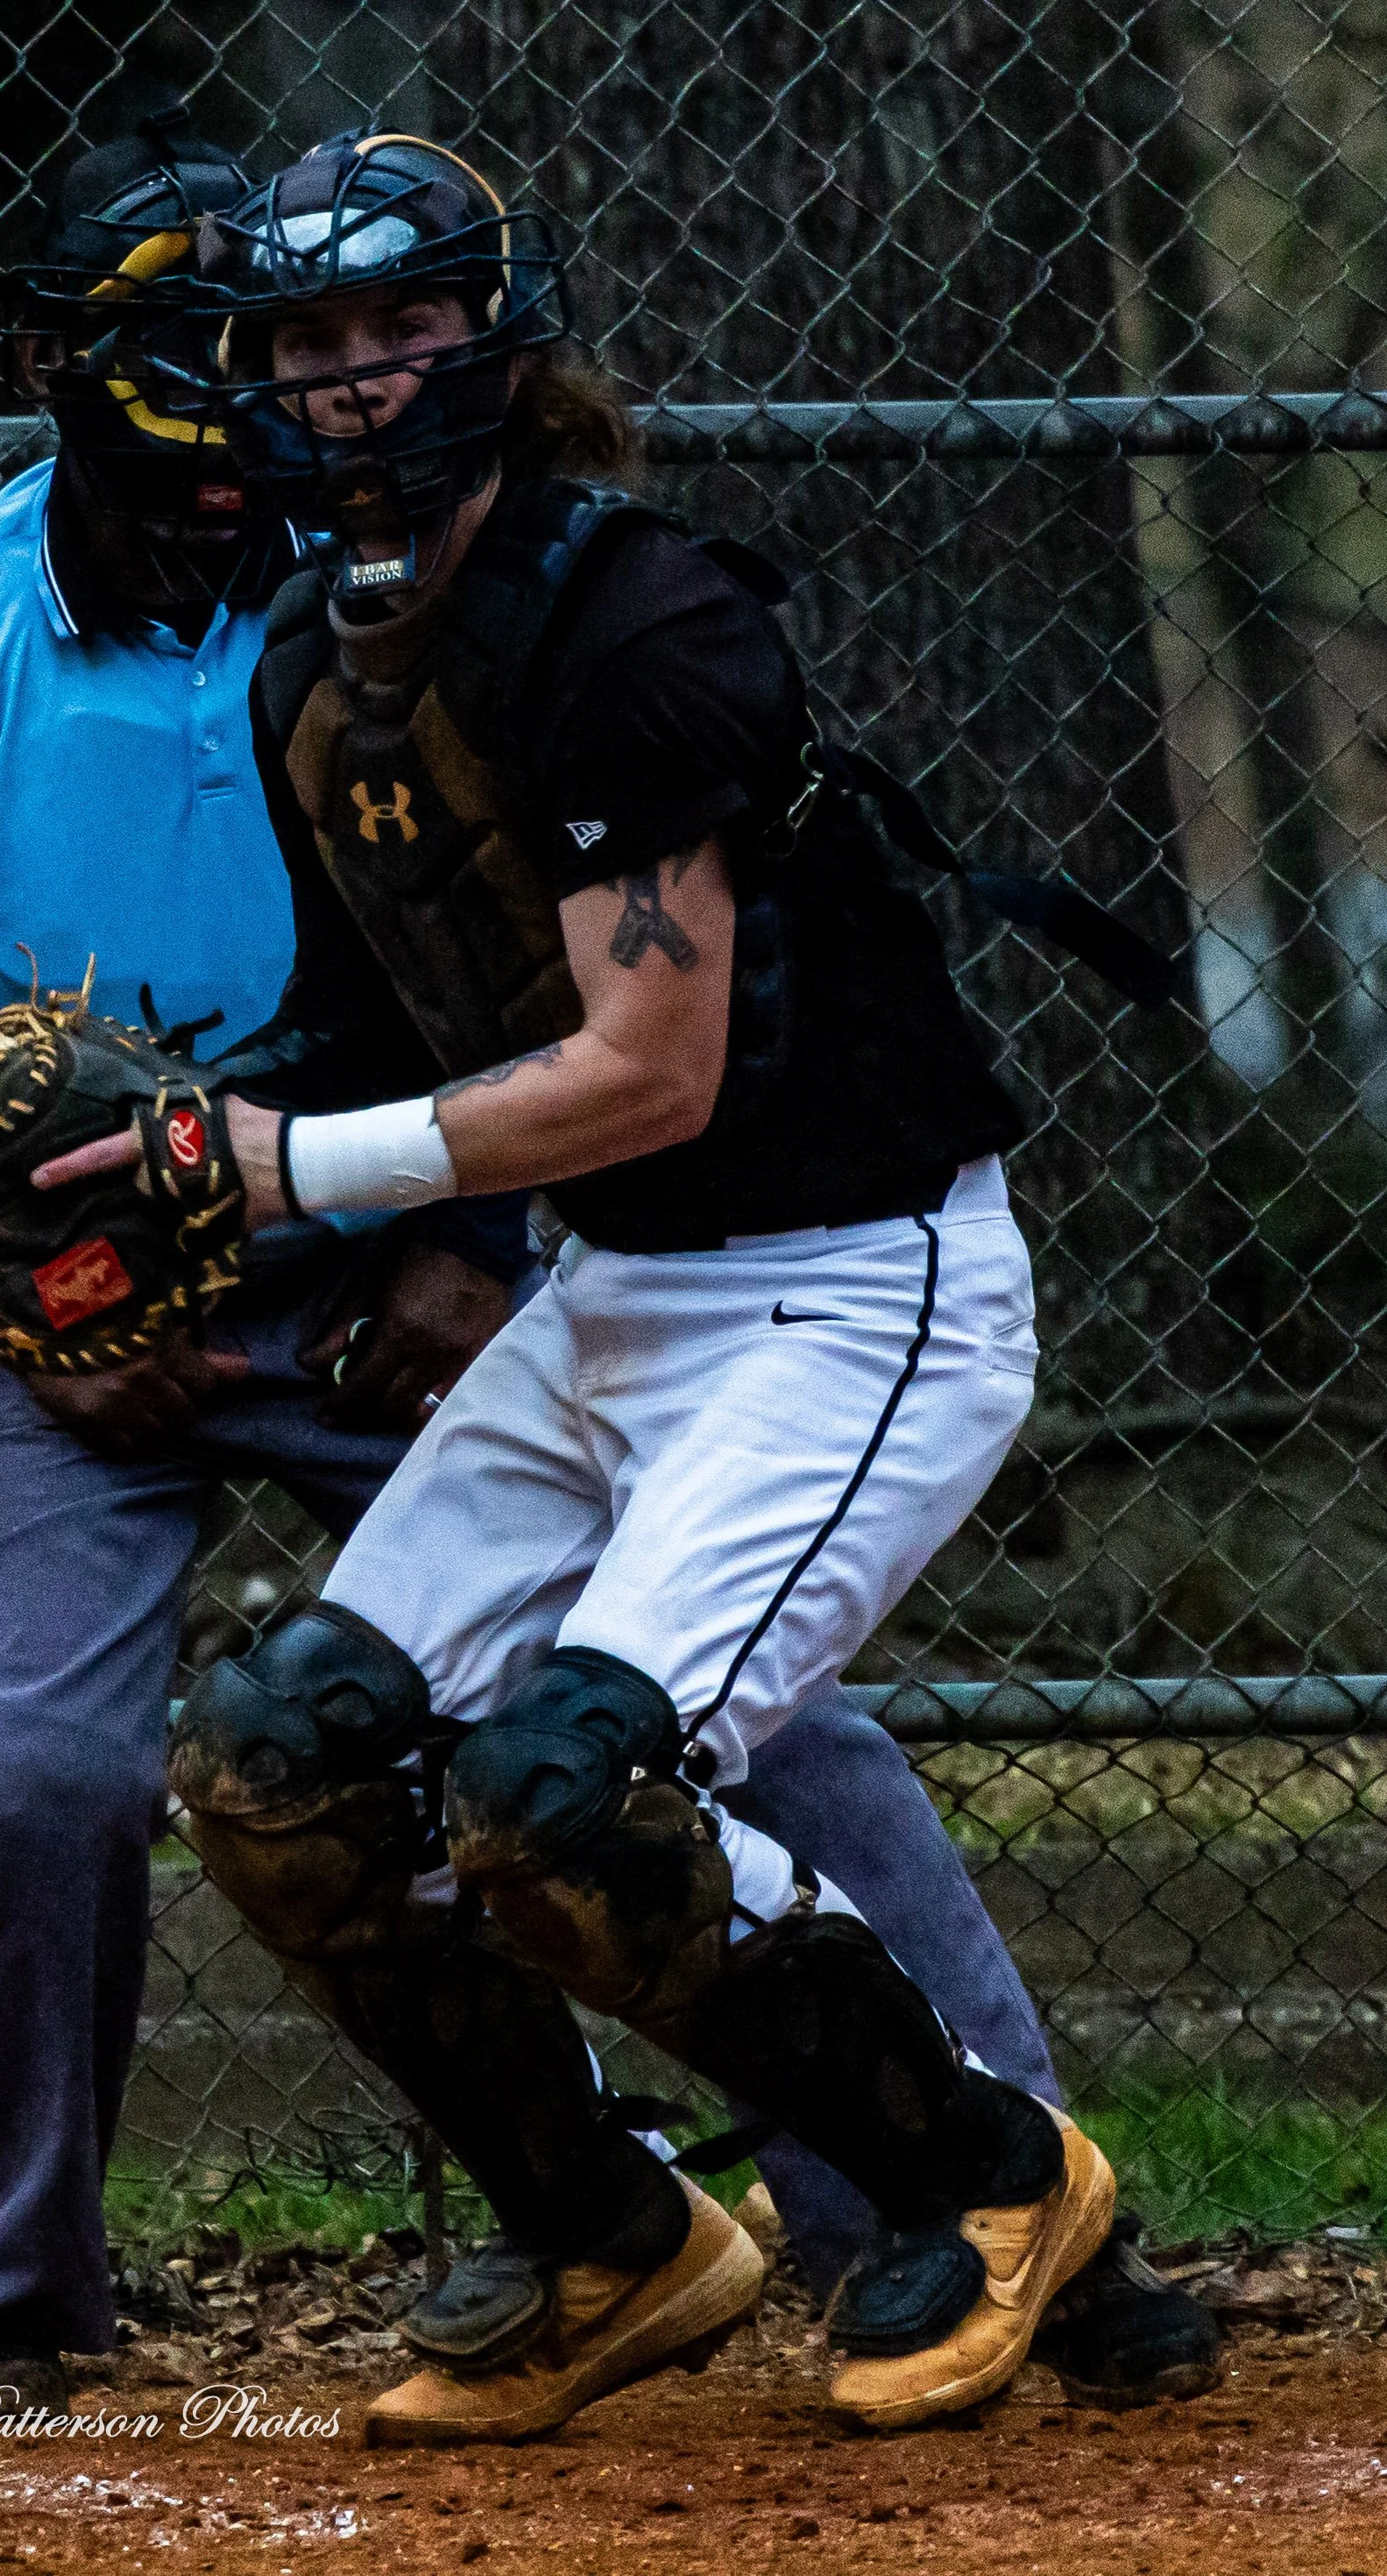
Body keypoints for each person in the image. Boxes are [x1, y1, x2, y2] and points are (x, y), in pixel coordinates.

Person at [111, 130, 1223, 2434]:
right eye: (302, 344)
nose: (348, 382)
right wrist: (227, 1197)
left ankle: (998, 2180)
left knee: (566, 1793)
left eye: (393, 328)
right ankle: (610, 2243)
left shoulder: (633, 615)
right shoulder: (314, 676)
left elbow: (650, 1058)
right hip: (610, 1296)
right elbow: (404, 1020)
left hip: (852, 1290)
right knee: (277, 1770)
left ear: (489, 342)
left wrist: (281, 1172)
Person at [0, 96, 532, 2412]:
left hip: (395, 1222)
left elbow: (523, 984)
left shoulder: (415, 594)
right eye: (196, 385)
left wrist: (460, 1245)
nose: (244, 458)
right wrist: (24, 1319)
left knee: (635, 1684)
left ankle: (935, 2189)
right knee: (41, 1780)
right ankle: (0, 2307)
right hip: (79, 1290)